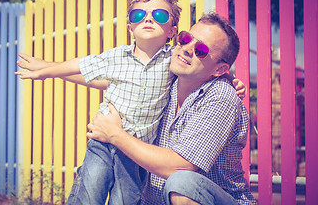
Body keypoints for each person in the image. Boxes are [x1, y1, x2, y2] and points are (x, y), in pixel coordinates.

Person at [87, 12, 257, 204]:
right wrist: (51, 71)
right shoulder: (167, 78)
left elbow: (179, 167)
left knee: (182, 183)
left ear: (219, 70)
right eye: (185, 39)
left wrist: (114, 134)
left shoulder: (221, 97)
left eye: (201, 49)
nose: (186, 49)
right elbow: (110, 75)